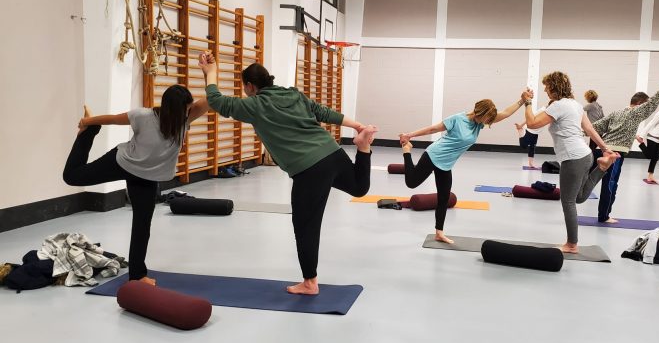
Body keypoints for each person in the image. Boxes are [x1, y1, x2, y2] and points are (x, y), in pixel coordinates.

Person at [199, 52, 377, 295]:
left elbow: (218, 101)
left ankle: (310, 283)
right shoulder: (293, 94)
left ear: (250, 86)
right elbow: (322, 112)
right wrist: (357, 126)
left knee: (305, 225)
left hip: (309, 168)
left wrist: (210, 73)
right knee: (358, 187)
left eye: (245, 87)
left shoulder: (255, 105)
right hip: (331, 152)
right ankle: (364, 149)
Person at [63, 86, 209, 286]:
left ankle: (138, 275)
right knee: (72, 176)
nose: (189, 111)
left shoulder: (184, 121)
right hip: (123, 162)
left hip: (147, 178)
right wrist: (88, 122)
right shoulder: (143, 115)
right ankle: (90, 132)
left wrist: (209, 70)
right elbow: (114, 119)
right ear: (174, 108)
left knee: (142, 225)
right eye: (186, 108)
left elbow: (210, 98)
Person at [399, 96, 528, 244]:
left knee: (444, 198)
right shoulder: (457, 119)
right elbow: (433, 128)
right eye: (487, 118)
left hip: (446, 164)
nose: (488, 122)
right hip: (433, 155)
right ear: (480, 113)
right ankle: (407, 151)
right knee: (411, 182)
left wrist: (522, 101)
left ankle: (439, 233)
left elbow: (505, 113)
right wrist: (409, 135)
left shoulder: (479, 124)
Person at [524, 71, 620, 253]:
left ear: (554, 87)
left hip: (573, 158)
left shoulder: (558, 106)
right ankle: (601, 167)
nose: (545, 90)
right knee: (579, 197)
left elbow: (532, 123)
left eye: (547, 87)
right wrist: (605, 148)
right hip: (585, 155)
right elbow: (589, 129)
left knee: (567, 201)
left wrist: (528, 102)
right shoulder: (575, 105)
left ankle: (571, 244)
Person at [589, 72, 659, 223]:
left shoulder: (616, 112)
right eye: (645, 106)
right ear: (639, 105)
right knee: (610, 184)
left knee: (593, 181)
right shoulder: (636, 113)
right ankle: (604, 216)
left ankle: (600, 212)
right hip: (615, 154)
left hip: (602, 150)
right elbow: (655, 99)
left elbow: (594, 127)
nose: (647, 110)